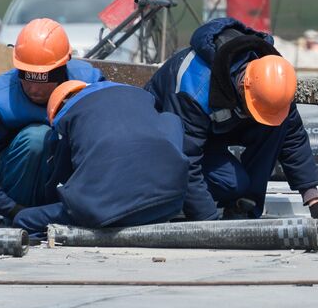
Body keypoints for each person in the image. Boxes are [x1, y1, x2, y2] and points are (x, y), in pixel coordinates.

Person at [145, 17, 318, 230]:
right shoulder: (194, 86)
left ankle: (245, 208)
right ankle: (174, 198)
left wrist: (315, 201)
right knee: (230, 183)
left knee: (275, 127)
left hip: (214, 128)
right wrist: (210, 226)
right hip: (165, 138)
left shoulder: (273, 77)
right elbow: (186, 160)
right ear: (243, 87)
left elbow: (292, 136)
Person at [0, 18, 101, 222]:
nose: (33, 89)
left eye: (42, 80)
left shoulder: (89, 83)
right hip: (17, 188)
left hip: (66, 179)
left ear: (61, 71)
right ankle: (27, 219)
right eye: (26, 77)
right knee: (37, 138)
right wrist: (11, 209)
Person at [12, 79, 200, 236]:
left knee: (23, 219)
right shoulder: (133, 95)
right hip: (170, 201)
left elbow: (59, 182)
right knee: (170, 120)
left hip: (108, 213)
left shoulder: (67, 118)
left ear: (57, 111)